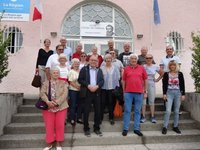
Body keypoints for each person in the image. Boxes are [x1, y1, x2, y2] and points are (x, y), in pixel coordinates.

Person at [40, 67, 68, 150]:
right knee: (49, 125)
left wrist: (56, 102)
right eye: (54, 73)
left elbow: (64, 94)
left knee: (59, 125)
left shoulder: (63, 83)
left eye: (57, 73)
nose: (56, 74)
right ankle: (49, 143)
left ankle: (58, 143)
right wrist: (48, 102)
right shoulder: (45, 83)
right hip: (48, 107)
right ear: (51, 74)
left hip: (61, 107)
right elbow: (42, 94)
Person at [122, 54, 148, 137]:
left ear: (137, 60)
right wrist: (124, 91)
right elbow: (123, 81)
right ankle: (125, 128)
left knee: (137, 111)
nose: (133, 60)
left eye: (135, 59)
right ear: (130, 60)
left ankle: (136, 129)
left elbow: (145, 80)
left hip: (139, 92)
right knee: (127, 111)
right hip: (128, 93)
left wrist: (145, 91)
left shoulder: (142, 68)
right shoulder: (126, 69)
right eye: (132, 58)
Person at [78, 55, 104, 137]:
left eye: (95, 61)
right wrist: (88, 85)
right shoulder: (84, 69)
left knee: (98, 111)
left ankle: (97, 128)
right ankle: (86, 128)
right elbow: (80, 79)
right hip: (87, 92)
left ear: (97, 62)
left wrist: (97, 86)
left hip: (97, 92)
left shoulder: (99, 70)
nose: (93, 62)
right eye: (92, 60)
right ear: (89, 61)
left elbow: (102, 80)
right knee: (86, 111)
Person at [162, 60, 185, 135]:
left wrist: (183, 94)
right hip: (169, 93)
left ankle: (175, 126)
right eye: (171, 65)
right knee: (168, 110)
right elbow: (164, 84)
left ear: (176, 66)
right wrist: (164, 94)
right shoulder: (166, 74)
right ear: (169, 66)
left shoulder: (180, 74)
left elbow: (182, 84)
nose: (172, 66)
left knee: (176, 111)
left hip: (178, 93)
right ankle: (165, 127)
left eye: (174, 65)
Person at [140, 54, 163, 123]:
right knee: (143, 102)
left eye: (150, 58)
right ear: (145, 59)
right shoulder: (142, 66)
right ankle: (143, 116)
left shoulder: (155, 66)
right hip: (143, 85)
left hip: (151, 84)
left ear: (152, 58)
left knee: (151, 101)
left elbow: (162, 73)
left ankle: (152, 116)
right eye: (147, 58)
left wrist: (157, 80)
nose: (148, 59)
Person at [100, 54, 120, 125]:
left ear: (111, 60)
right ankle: (100, 118)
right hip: (103, 89)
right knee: (102, 103)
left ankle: (111, 118)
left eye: (109, 59)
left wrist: (117, 88)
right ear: (105, 60)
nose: (108, 60)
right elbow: (99, 78)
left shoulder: (115, 68)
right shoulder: (101, 68)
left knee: (111, 104)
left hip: (112, 89)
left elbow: (118, 78)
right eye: (107, 59)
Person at [68, 58, 81, 126]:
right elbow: (70, 81)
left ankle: (78, 118)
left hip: (80, 90)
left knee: (79, 104)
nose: (77, 64)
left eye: (78, 63)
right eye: (75, 63)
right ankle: (72, 119)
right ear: (72, 64)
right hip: (73, 90)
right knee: (73, 105)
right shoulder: (71, 71)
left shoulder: (80, 71)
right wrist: (77, 87)